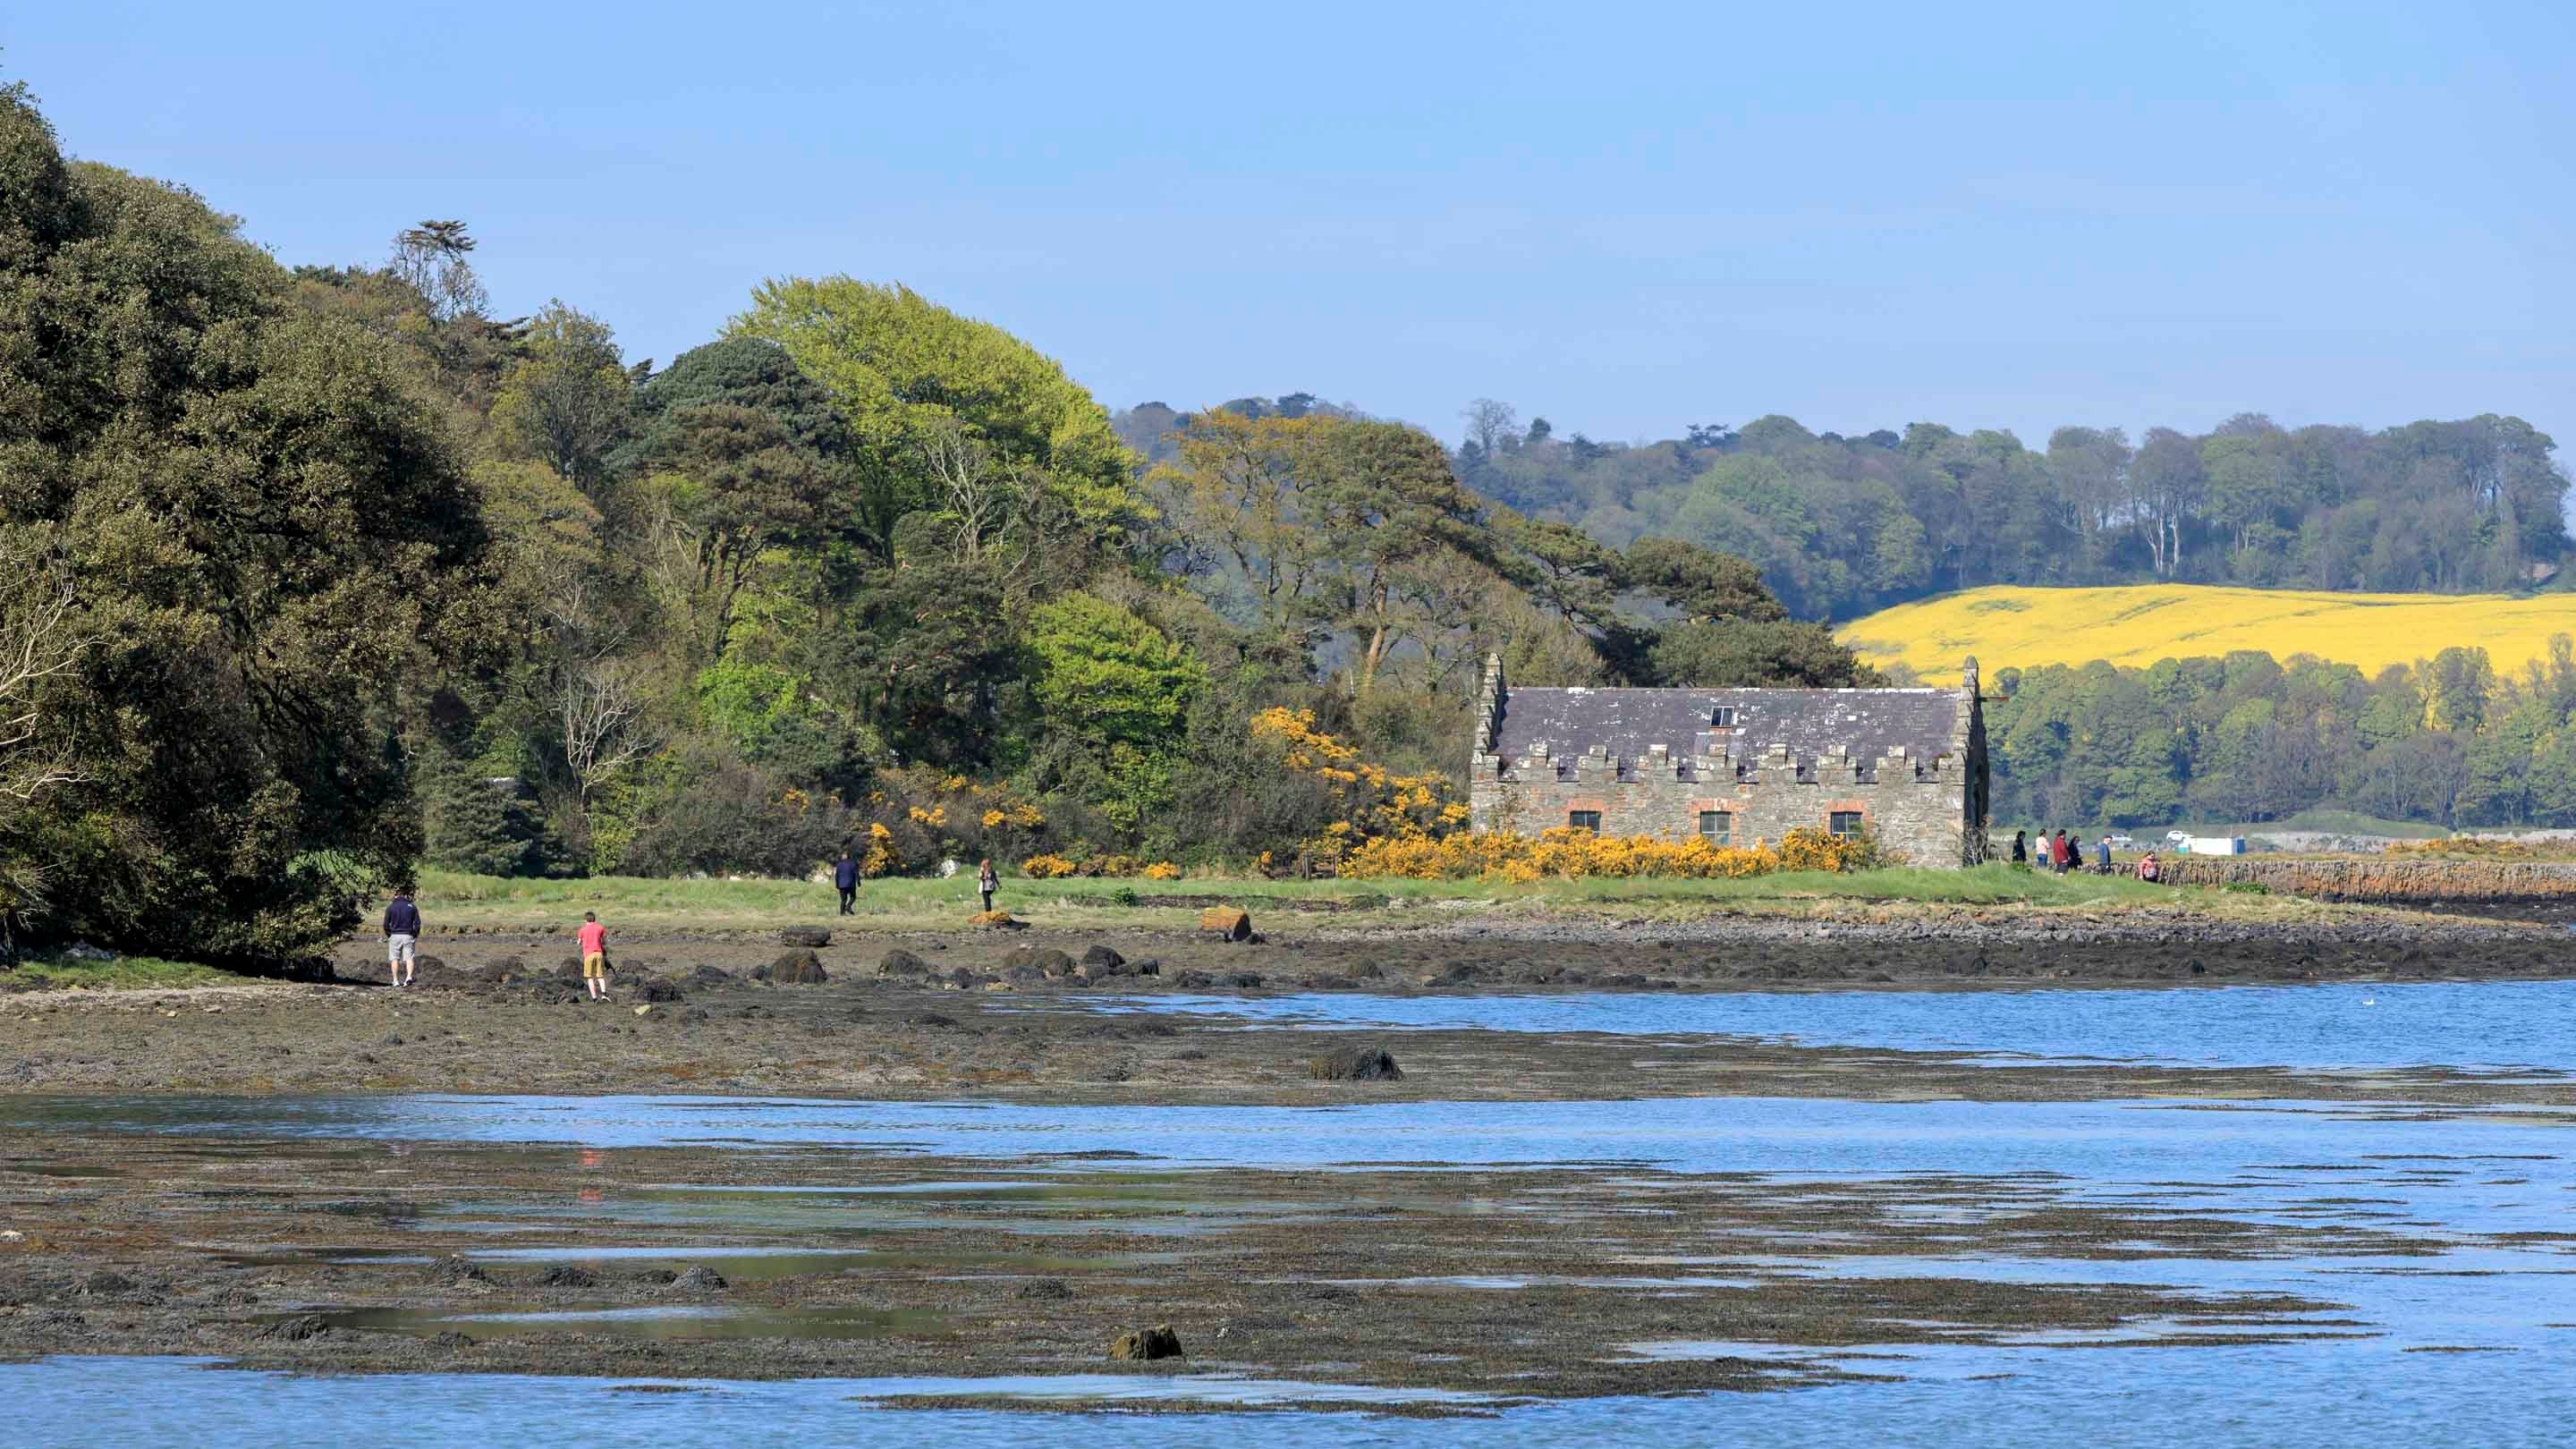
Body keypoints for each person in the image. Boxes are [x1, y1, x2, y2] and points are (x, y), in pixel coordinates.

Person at [383, 886, 422, 987]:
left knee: (394, 958)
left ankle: (395, 981)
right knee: (409, 958)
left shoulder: (391, 907)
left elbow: (386, 924)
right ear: (405, 895)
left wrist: (389, 934)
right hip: (408, 935)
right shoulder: (412, 907)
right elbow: (417, 923)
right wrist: (415, 934)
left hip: (395, 935)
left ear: (396, 895)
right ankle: (408, 977)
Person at [577, 911, 611, 1002]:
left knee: (590, 977)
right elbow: (604, 942)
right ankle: (604, 994)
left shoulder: (582, 930)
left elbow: (579, 942)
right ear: (594, 919)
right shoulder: (600, 928)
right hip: (599, 954)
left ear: (585, 920)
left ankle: (594, 998)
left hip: (588, 954)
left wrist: (582, 942)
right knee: (600, 975)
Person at [833, 849, 860, 916]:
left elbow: (837, 876)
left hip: (841, 885)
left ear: (843, 857)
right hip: (851, 884)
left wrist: (837, 885)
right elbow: (856, 874)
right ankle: (848, 907)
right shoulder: (853, 863)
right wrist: (858, 882)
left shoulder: (839, 865)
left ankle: (842, 913)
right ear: (848, 856)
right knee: (853, 897)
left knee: (843, 900)